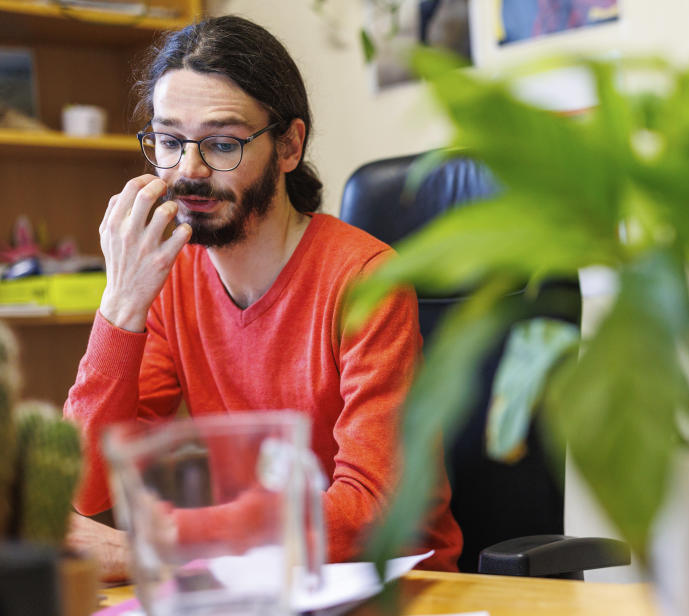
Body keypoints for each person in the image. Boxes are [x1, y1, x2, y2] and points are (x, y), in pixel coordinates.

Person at [63, 15, 462, 579]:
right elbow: (88, 486)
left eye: (222, 143)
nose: (189, 171)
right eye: (170, 141)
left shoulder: (366, 279)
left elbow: (370, 509)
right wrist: (119, 307)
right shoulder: (170, 278)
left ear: (289, 145)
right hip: (253, 576)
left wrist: (161, 543)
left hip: (394, 586)